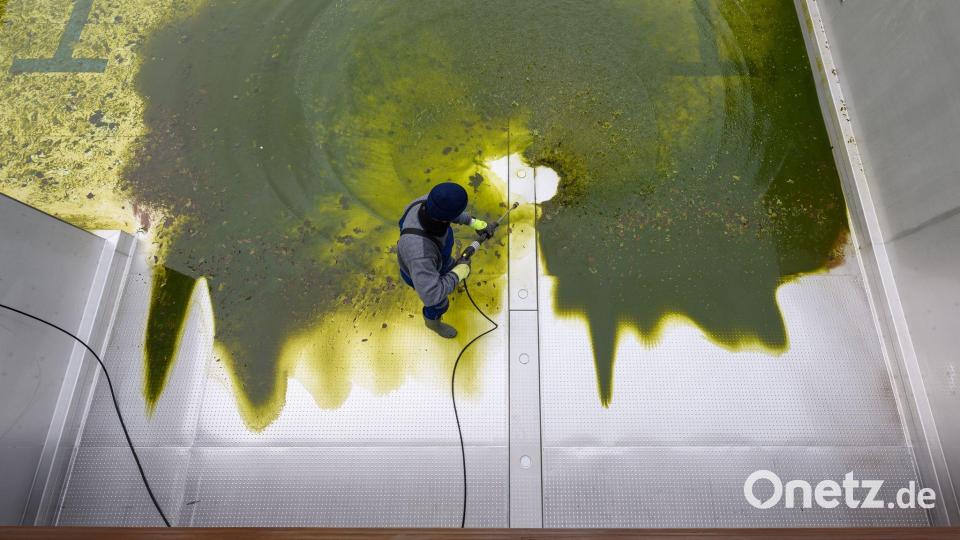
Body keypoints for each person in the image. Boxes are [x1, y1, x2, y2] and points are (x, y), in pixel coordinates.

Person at [396, 182, 494, 338]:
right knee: (439, 303)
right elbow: (431, 295)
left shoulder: (430, 201)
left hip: (439, 258)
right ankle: (433, 324)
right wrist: (458, 273)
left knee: (448, 268)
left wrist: (473, 222)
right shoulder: (420, 252)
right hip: (420, 272)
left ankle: (448, 277)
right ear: (444, 220)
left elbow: (449, 213)